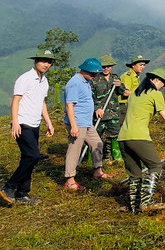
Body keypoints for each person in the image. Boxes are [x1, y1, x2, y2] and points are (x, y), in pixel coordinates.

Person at [118, 68, 165, 213]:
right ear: (156, 80)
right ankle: (146, 202)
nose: (163, 87)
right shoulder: (155, 94)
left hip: (123, 137)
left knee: (135, 173)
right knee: (156, 166)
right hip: (139, 137)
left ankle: (134, 207)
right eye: (163, 84)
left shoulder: (134, 94)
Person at [0, 50, 58, 206]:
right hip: (23, 123)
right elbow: (16, 100)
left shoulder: (44, 81)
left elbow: (42, 103)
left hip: (34, 123)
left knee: (28, 158)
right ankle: (9, 187)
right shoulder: (25, 79)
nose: (46, 64)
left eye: (49, 62)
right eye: (43, 61)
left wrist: (48, 122)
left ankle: (22, 193)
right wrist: (15, 122)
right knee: (33, 156)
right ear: (36, 61)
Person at [63, 58, 114, 191]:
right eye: (93, 74)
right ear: (84, 70)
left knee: (97, 143)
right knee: (74, 150)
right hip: (77, 123)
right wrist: (73, 126)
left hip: (86, 122)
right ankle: (70, 180)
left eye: (96, 74)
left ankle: (98, 171)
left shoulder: (85, 81)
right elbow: (69, 105)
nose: (94, 76)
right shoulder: (74, 83)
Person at [91, 55, 127, 164]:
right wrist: (97, 108)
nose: (106, 68)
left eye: (109, 66)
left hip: (113, 113)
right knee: (96, 137)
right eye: (104, 66)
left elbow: (122, 92)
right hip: (100, 114)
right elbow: (90, 97)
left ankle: (114, 156)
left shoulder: (115, 78)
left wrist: (120, 85)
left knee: (114, 135)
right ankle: (95, 158)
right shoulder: (94, 80)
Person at [119, 55, 151, 123]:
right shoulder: (128, 76)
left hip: (130, 104)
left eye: (144, 65)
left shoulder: (136, 76)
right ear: (133, 65)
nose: (142, 67)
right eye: (140, 65)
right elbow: (125, 92)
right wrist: (141, 95)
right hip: (123, 106)